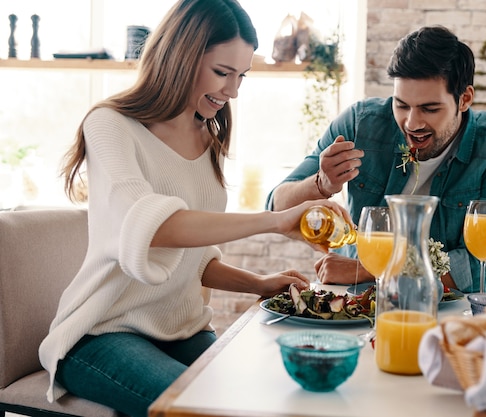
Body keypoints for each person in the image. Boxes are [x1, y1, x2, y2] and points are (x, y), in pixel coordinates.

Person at [38, 1, 351, 416]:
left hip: (180, 330)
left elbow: (191, 260)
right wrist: (275, 221)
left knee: (267, 394)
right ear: (179, 56)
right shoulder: (109, 125)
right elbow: (158, 228)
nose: (233, 90)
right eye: (223, 73)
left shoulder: (208, 136)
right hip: (101, 334)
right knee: (204, 409)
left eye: (242, 76)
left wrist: (260, 283)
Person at [266, 25, 486, 293]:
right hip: (358, 305)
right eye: (401, 105)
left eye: (429, 108)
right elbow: (275, 207)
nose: (412, 123)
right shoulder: (358, 125)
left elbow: (475, 269)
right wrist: (322, 184)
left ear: (464, 99)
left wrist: (366, 270)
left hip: (443, 313)